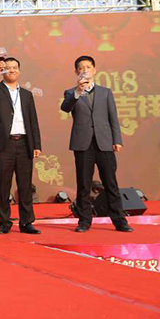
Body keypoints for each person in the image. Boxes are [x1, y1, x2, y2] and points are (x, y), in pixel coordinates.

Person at [61, 55, 132, 233]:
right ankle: (84, 221)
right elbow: (65, 107)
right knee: (84, 184)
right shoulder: (71, 92)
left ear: (94, 70)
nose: (85, 70)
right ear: (76, 71)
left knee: (110, 183)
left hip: (104, 142)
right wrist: (78, 91)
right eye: (81, 68)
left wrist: (117, 140)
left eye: (88, 67)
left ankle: (119, 221)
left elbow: (113, 118)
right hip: (82, 144)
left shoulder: (105, 92)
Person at [0, 57, 42, 235]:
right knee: (3, 185)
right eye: (8, 68)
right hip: (3, 144)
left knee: (25, 185)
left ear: (19, 70)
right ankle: (4, 222)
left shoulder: (26, 94)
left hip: (24, 143)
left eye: (15, 67)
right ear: (3, 71)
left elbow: (33, 121)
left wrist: (36, 144)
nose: (12, 70)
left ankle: (26, 222)